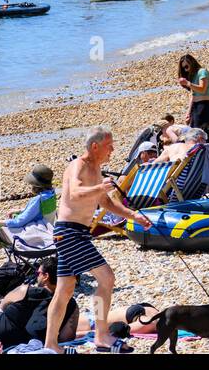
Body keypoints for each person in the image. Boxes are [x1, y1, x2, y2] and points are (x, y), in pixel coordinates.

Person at [44, 128, 148, 352]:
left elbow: (106, 202)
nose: (113, 149)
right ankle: (101, 335)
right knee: (106, 278)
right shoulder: (78, 165)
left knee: (64, 290)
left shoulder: (96, 169)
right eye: (109, 145)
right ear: (95, 146)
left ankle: (50, 344)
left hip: (77, 232)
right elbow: (74, 193)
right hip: (69, 231)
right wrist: (100, 187)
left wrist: (134, 215)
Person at [176, 54, 209, 136]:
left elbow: (202, 89)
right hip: (195, 107)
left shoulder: (202, 72)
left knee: (201, 134)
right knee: (193, 134)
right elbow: (192, 96)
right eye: (184, 68)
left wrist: (188, 83)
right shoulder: (192, 76)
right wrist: (188, 113)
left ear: (192, 63)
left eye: (186, 67)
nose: (186, 70)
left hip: (204, 106)